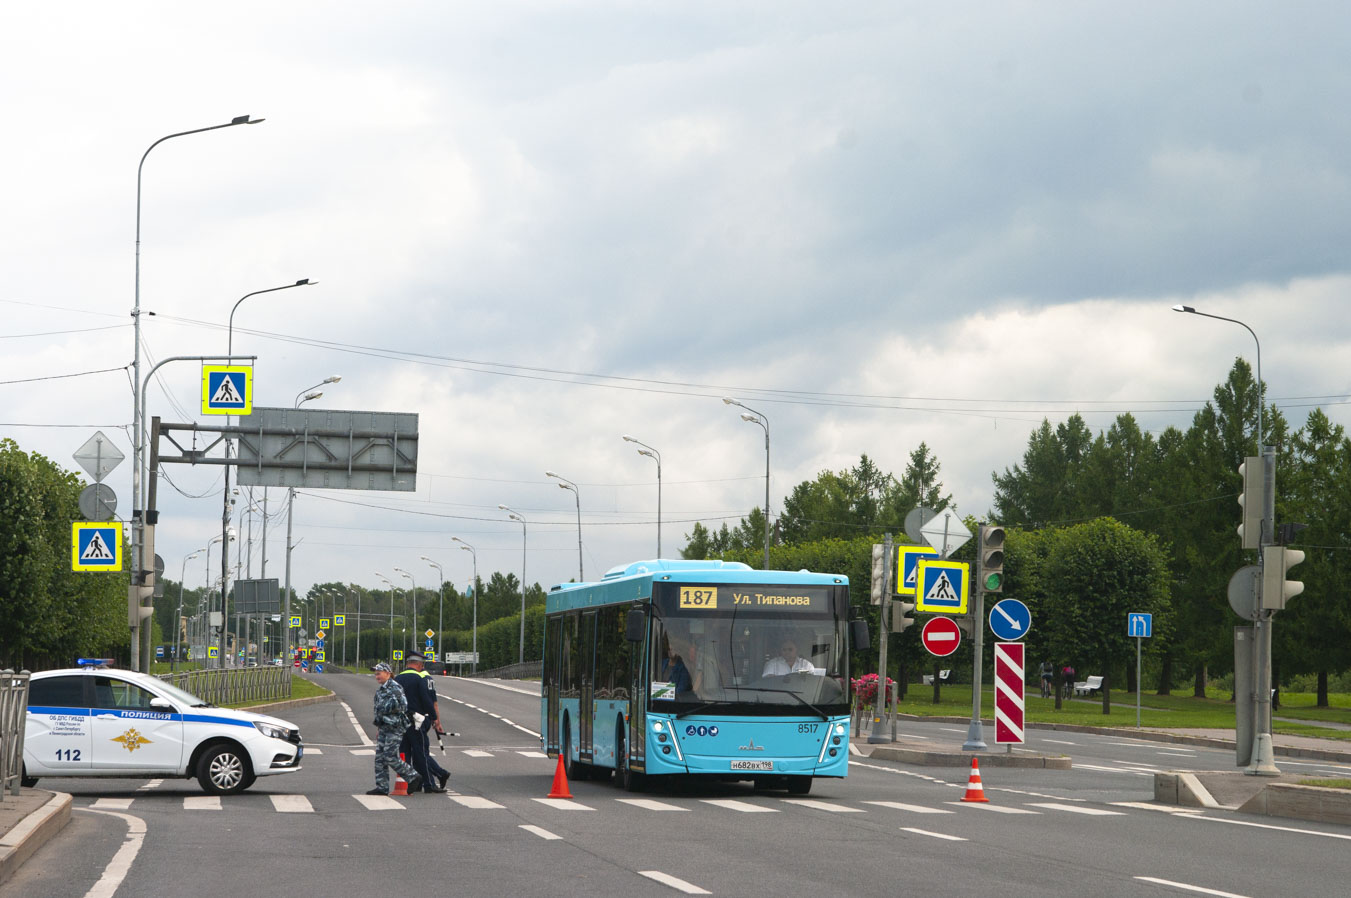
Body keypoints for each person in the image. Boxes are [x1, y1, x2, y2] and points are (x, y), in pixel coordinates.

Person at [368, 662, 422, 795]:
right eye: (376, 674)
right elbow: (378, 710)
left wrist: (385, 708)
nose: (377, 676)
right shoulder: (381, 689)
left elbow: (403, 705)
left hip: (395, 726)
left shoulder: (395, 687)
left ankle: (413, 776)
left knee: (390, 756)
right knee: (380, 758)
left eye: (379, 673)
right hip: (384, 726)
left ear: (387, 673)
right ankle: (382, 787)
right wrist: (379, 727)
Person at [395, 655, 446, 793]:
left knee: (404, 752)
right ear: (418, 665)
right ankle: (429, 784)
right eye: (421, 665)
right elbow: (426, 700)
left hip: (401, 721)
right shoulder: (419, 679)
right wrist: (434, 718)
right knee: (421, 752)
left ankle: (410, 782)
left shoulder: (397, 679)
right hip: (417, 721)